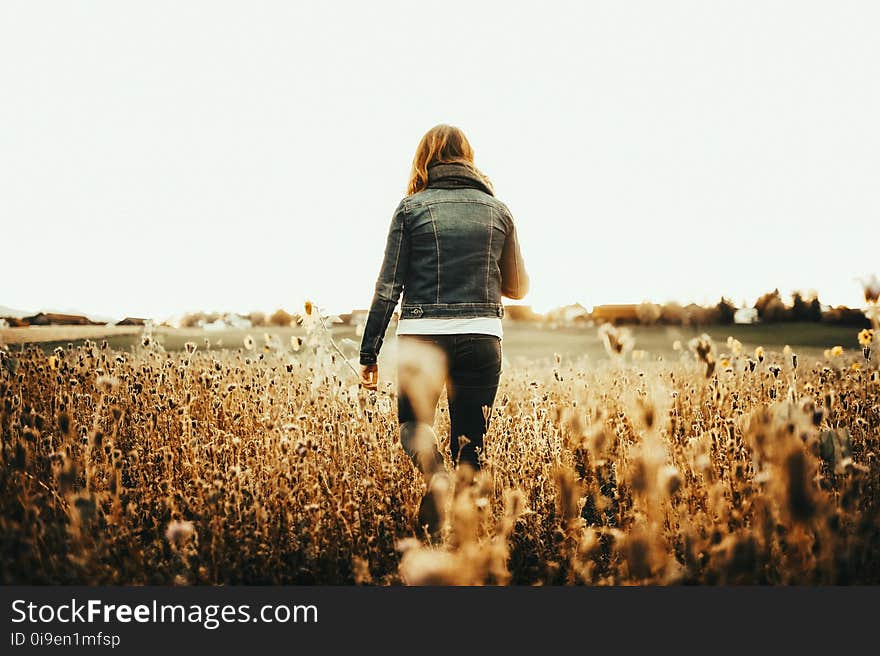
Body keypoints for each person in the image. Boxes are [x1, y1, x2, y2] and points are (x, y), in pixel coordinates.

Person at [358, 124, 528, 533]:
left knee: (413, 428)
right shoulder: (498, 210)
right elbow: (518, 287)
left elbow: (387, 288)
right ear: (468, 158)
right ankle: (465, 544)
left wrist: (369, 353)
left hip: (423, 337)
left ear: (426, 159)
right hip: (482, 336)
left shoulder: (410, 208)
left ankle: (436, 479)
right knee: (471, 445)